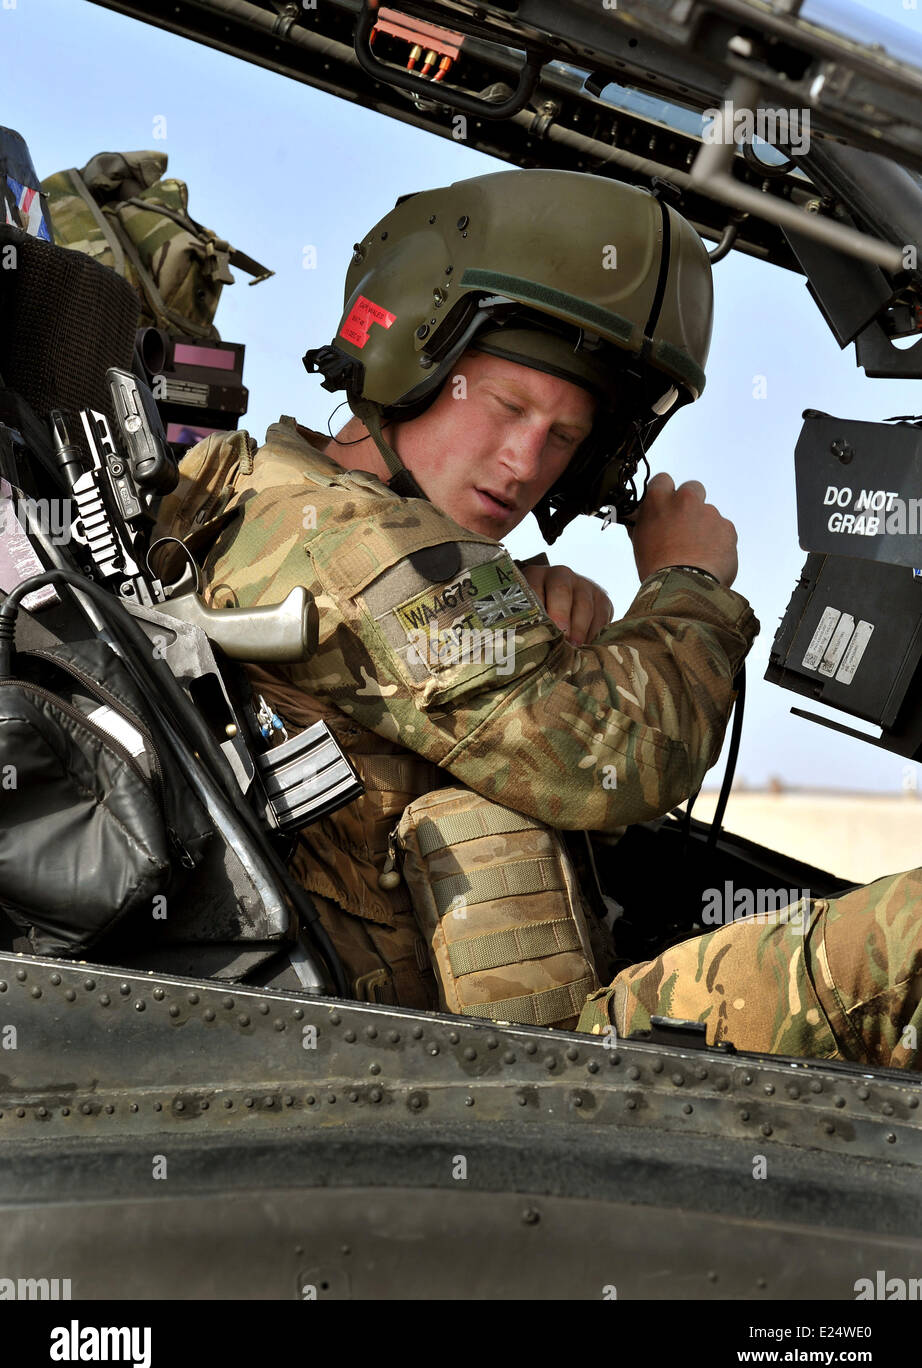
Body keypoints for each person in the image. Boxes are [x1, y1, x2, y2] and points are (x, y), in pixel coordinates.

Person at [153, 168, 921, 1069]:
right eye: (507, 407)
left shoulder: (293, 505)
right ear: (410, 365)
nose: (524, 464)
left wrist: (530, 607)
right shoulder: (353, 546)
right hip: (488, 1076)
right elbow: (617, 757)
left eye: (563, 437)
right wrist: (687, 581)